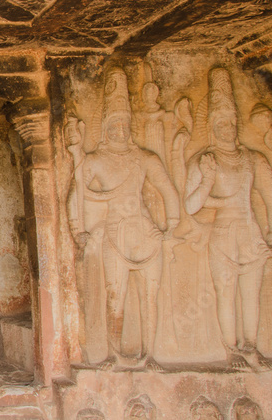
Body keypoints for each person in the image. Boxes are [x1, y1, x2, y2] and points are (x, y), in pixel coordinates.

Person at [69, 68, 180, 371]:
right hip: (115, 232)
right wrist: (78, 229)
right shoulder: (95, 161)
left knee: (151, 297)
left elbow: (169, 191)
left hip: (145, 231)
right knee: (114, 297)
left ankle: (151, 355)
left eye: (124, 124)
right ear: (105, 127)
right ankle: (116, 354)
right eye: (114, 124)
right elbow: (75, 193)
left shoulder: (144, 158)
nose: (120, 130)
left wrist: (170, 225)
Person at [184, 68, 272, 371]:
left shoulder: (254, 159)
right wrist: (208, 181)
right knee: (225, 293)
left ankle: (251, 347)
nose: (228, 128)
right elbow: (190, 206)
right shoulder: (206, 160)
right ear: (213, 126)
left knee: (251, 295)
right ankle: (232, 349)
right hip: (223, 235)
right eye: (221, 123)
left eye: (231, 122)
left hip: (251, 233)